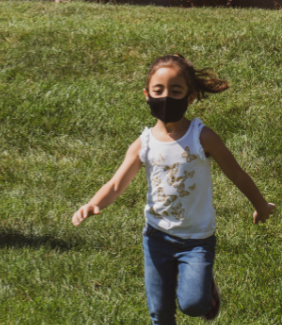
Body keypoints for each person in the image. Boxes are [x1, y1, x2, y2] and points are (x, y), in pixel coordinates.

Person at [71, 54, 275, 324]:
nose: (166, 97)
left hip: (197, 240)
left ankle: (206, 293)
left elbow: (236, 173)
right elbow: (116, 182)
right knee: (160, 312)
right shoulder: (144, 143)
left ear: (190, 97)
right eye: (158, 90)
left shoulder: (202, 137)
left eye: (175, 90)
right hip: (156, 237)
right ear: (147, 94)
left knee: (193, 304)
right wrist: (94, 203)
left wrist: (260, 206)